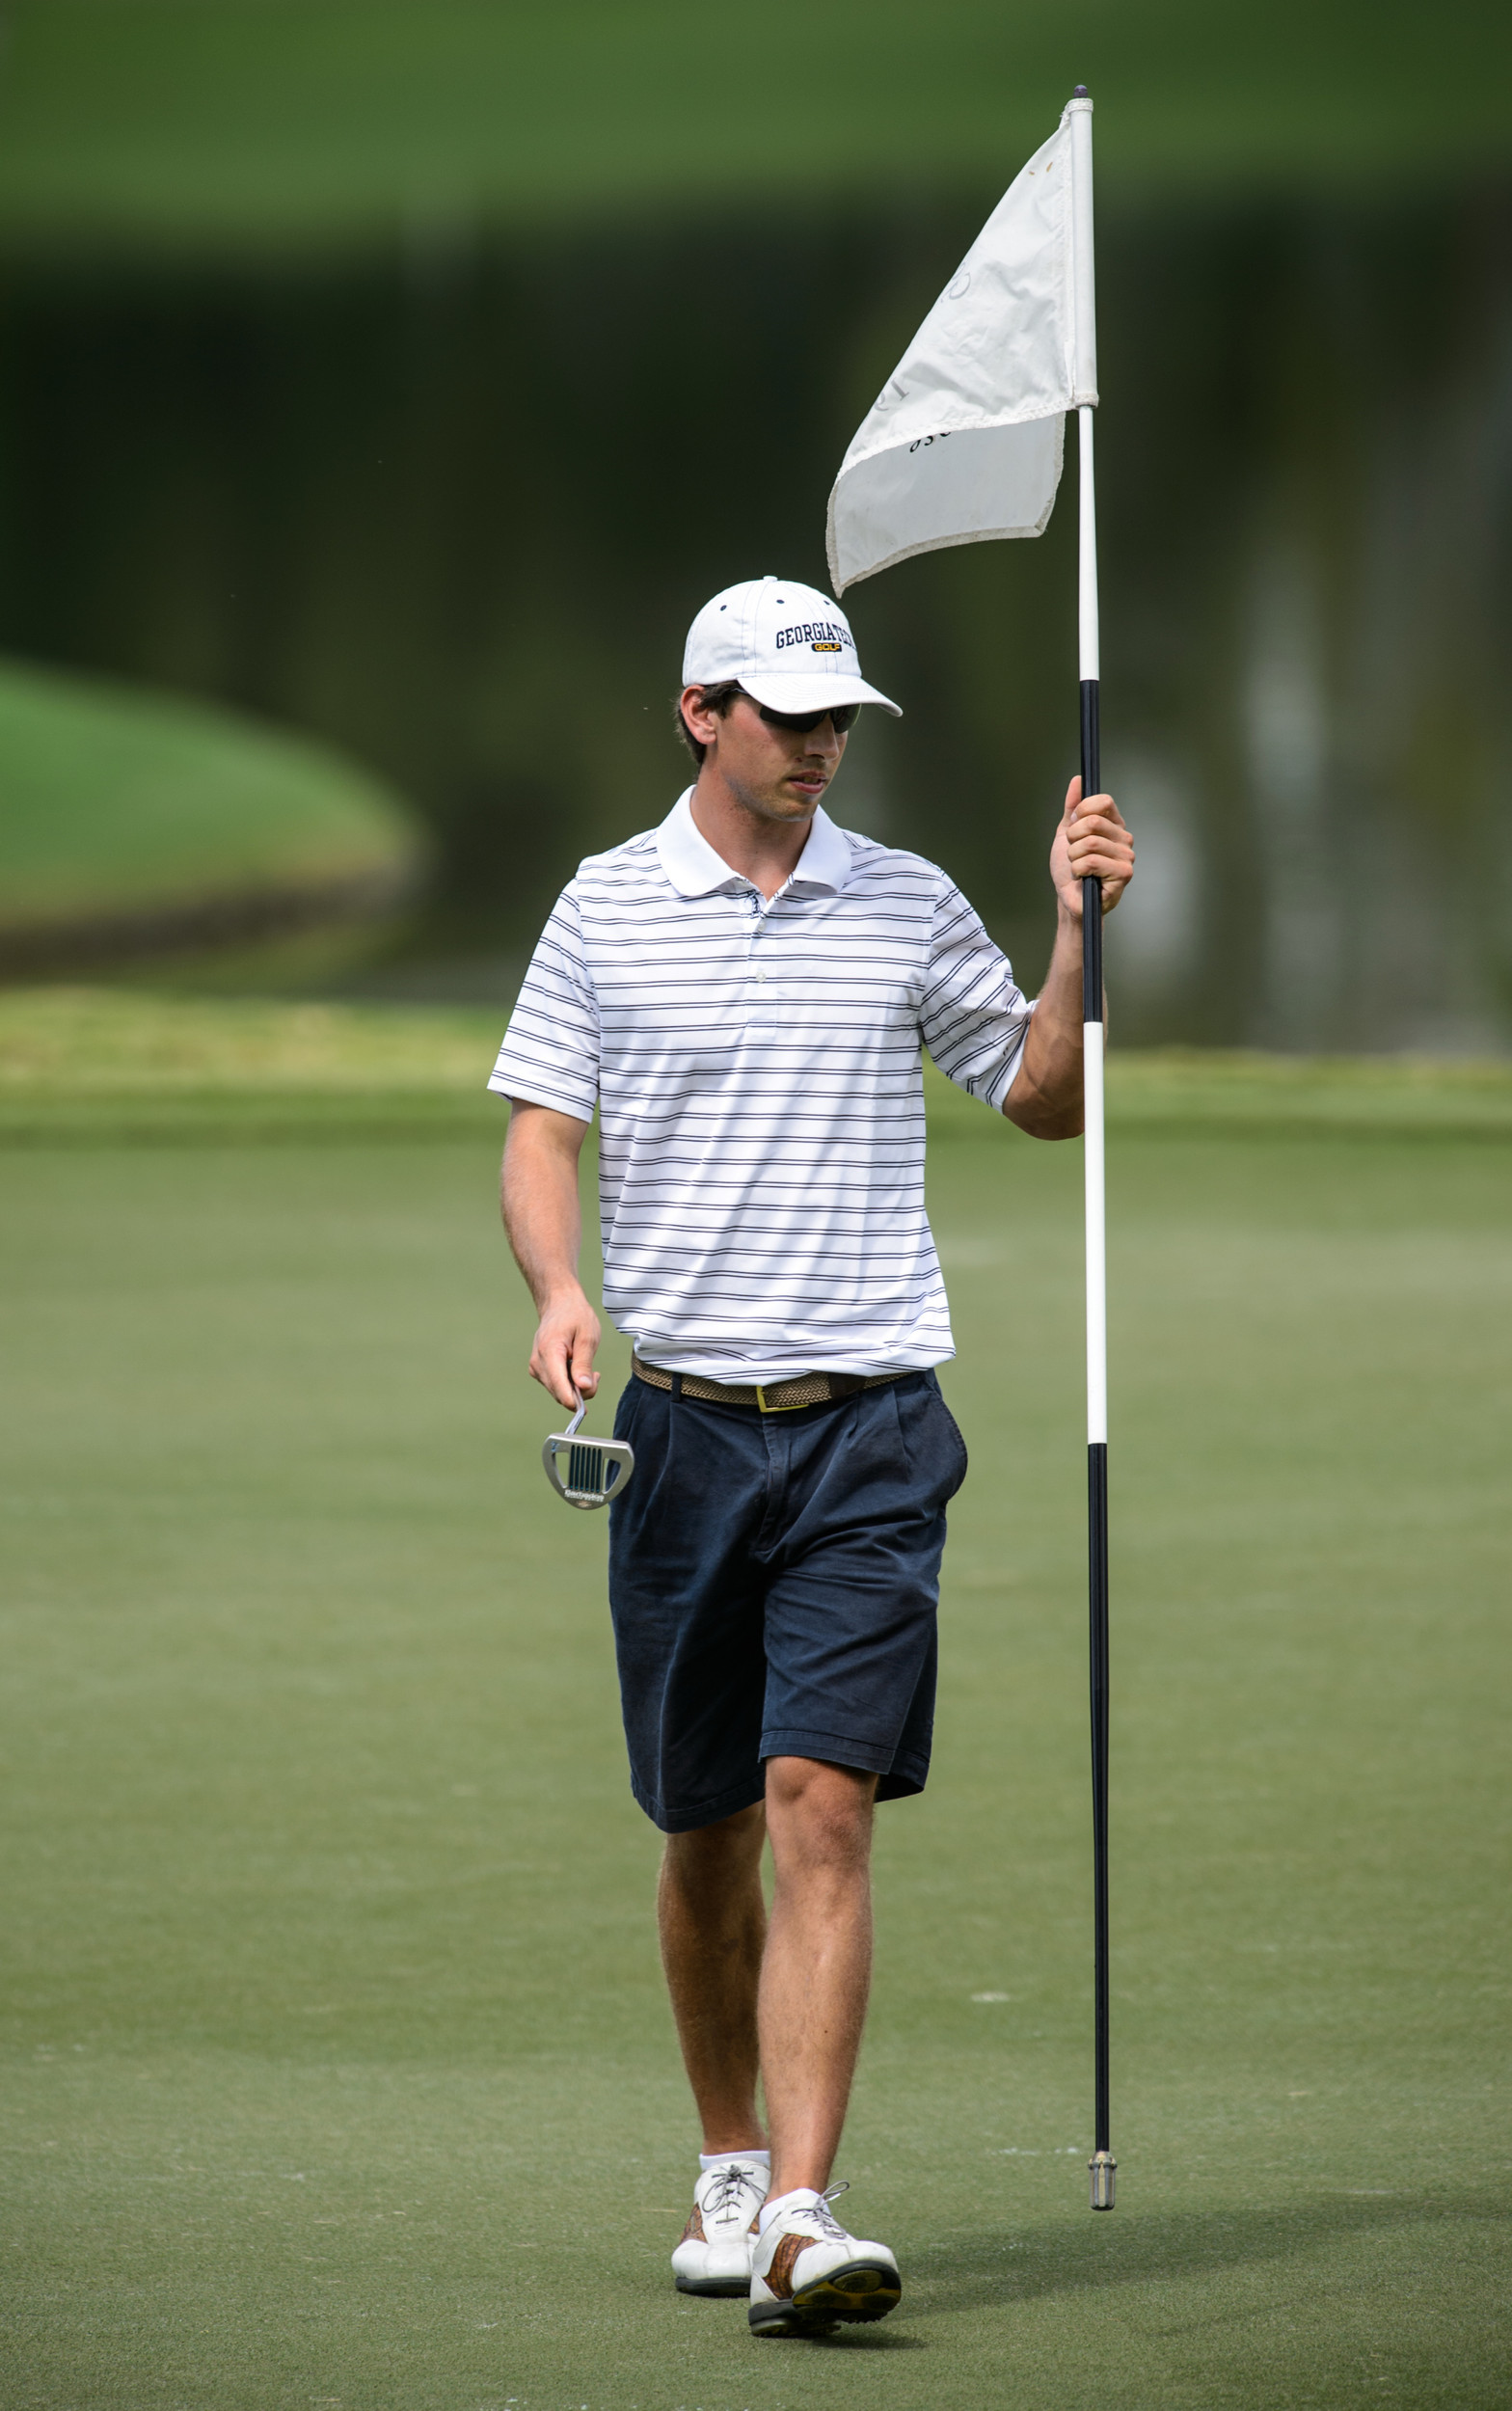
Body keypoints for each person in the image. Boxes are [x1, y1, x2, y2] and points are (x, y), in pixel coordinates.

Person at [491, 574, 1134, 2339]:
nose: (822, 747)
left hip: (869, 1431)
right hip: (684, 1432)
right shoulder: (607, 907)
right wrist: (562, 1286)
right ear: (702, 712)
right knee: (704, 1833)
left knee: (820, 1809)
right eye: (790, 720)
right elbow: (546, 1129)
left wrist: (1075, 936)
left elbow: (1038, 1095)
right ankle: (725, 2159)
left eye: (841, 718)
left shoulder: (902, 898)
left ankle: (800, 2207)